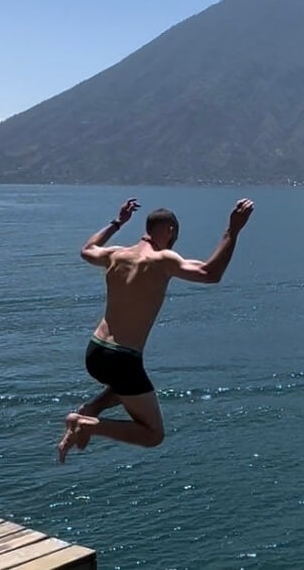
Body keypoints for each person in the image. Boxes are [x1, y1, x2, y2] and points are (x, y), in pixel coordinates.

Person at [58, 197, 255, 462]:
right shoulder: (163, 259)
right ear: (170, 231)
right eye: (174, 237)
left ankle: (91, 408)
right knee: (153, 434)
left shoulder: (116, 254)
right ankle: (87, 424)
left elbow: (87, 249)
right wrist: (233, 231)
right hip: (123, 358)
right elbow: (211, 273)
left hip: (95, 351)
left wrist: (117, 223)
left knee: (129, 389)